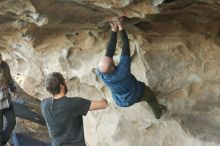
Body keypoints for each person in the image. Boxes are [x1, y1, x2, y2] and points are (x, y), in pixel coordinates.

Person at [96, 17, 166, 119]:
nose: (112, 58)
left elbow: (109, 52)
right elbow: (125, 46)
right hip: (136, 94)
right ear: (112, 67)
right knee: (151, 98)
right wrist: (121, 27)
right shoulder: (122, 71)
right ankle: (159, 114)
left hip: (120, 101)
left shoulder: (101, 73)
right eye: (112, 62)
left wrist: (114, 30)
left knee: (131, 91)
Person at [41, 72, 108, 146]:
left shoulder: (44, 104)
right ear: (61, 85)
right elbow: (104, 104)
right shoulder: (74, 103)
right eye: (64, 80)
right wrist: (103, 94)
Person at [0, 53, 17, 146]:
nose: (0, 61)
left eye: (0, 59)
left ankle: (2, 142)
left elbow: (9, 78)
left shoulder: (4, 65)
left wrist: (13, 89)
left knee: (12, 121)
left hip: (6, 100)